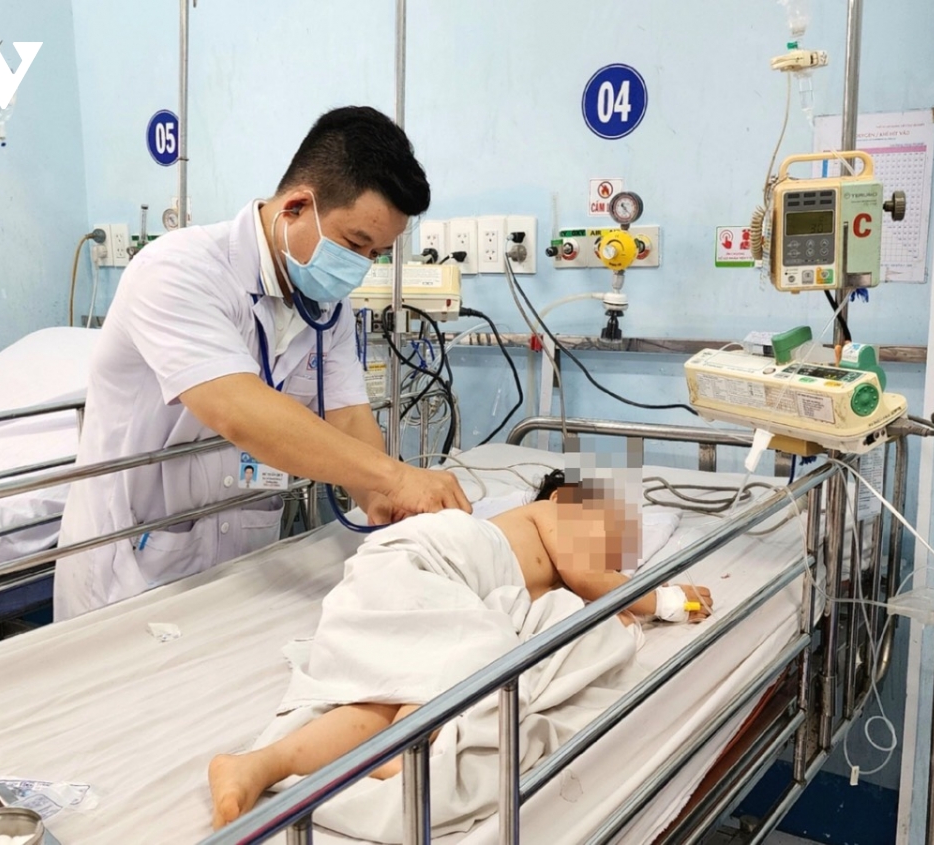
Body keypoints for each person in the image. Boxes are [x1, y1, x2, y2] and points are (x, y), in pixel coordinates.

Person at [54, 106, 471, 620]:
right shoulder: (177, 270)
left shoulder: (328, 308)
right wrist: (395, 477)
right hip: (133, 565)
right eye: (355, 244)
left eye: (377, 254)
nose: (361, 267)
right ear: (296, 206)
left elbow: (346, 416)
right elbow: (238, 410)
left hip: (243, 565)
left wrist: (386, 505)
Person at [207, 470, 713, 828]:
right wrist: (671, 599)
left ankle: (261, 764)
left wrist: (606, 605)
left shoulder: (537, 573)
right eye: (606, 528)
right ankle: (402, 753)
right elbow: (591, 578)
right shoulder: (551, 514)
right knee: (477, 654)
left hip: (400, 581)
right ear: (565, 498)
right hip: (427, 561)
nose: (609, 552)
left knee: (389, 694)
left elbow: (579, 593)